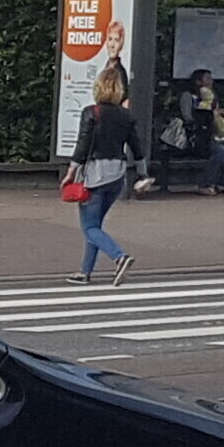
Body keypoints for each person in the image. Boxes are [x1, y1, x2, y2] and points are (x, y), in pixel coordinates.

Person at [65, 64, 144, 285]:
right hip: (117, 176)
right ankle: (85, 272)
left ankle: (119, 257)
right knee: (96, 226)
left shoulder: (91, 112)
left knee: (89, 227)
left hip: (94, 175)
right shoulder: (126, 116)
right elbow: (136, 147)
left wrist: (71, 171)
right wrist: (142, 173)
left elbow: (83, 145)